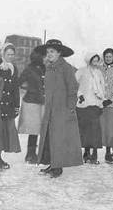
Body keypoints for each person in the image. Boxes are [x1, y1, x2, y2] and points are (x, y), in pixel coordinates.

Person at [36, 39, 83, 178]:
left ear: (59, 53)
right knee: (51, 137)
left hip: (62, 110)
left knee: (59, 138)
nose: (49, 54)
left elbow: (73, 88)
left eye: (52, 51)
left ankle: (58, 168)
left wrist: (70, 108)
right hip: (50, 109)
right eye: (47, 52)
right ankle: (53, 163)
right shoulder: (49, 67)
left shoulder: (66, 68)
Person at [0, 43, 22, 169]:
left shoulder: (14, 67)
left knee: (5, 132)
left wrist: (16, 105)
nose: (10, 56)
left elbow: (15, 88)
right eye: (8, 54)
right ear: (3, 54)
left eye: (12, 54)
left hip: (8, 104)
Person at [18, 46, 47, 164]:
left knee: (44, 128)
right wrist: (28, 89)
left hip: (45, 101)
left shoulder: (46, 68)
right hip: (32, 101)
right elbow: (19, 82)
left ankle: (43, 153)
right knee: (33, 128)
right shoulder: (29, 69)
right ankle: (30, 154)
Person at [76, 53, 106, 164]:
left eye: (97, 61)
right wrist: (79, 95)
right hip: (83, 104)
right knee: (85, 129)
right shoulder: (81, 71)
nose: (96, 63)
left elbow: (102, 87)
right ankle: (86, 152)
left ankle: (94, 154)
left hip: (95, 104)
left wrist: (102, 100)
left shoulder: (99, 73)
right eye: (94, 60)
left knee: (95, 130)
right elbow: (74, 84)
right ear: (89, 60)